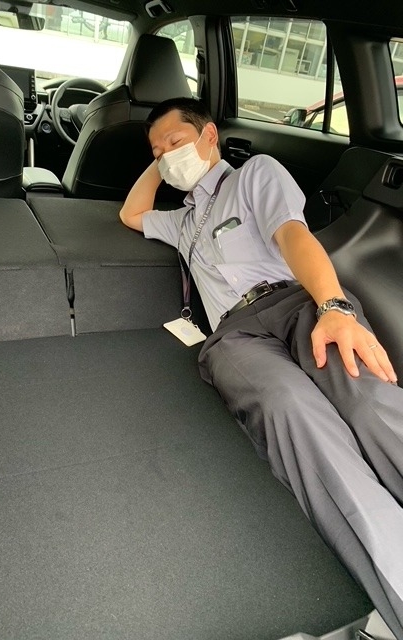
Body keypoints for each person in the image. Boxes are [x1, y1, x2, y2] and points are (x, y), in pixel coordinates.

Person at [119, 97, 403, 637]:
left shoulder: (255, 175)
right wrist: (159, 162)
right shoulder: (183, 222)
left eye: (176, 142)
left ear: (210, 136)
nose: (166, 156)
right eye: (156, 151)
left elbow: (293, 234)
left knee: (366, 398)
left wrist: (333, 306)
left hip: (298, 302)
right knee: (289, 409)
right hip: (236, 333)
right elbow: (131, 214)